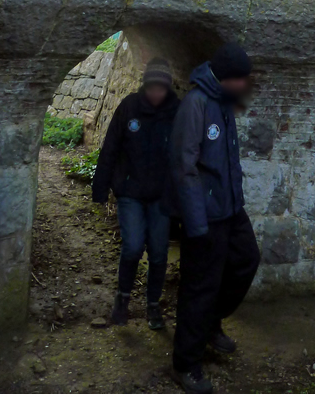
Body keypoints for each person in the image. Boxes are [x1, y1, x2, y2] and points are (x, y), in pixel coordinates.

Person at [167, 42, 261, 394]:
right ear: (225, 78)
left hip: (229, 208)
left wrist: (235, 199)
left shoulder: (222, 102)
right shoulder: (196, 104)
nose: (245, 85)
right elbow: (184, 166)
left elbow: (227, 159)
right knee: (199, 287)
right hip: (203, 213)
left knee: (246, 260)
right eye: (241, 79)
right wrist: (196, 222)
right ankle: (185, 363)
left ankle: (209, 324)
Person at [91, 57, 180, 329]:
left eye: (161, 89)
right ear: (145, 86)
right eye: (151, 88)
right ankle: (123, 299)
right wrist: (101, 187)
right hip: (130, 191)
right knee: (131, 247)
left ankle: (153, 305)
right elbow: (111, 148)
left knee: (158, 253)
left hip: (160, 195)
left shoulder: (177, 111)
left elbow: (185, 154)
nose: (156, 94)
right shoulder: (129, 107)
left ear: (168, 89)